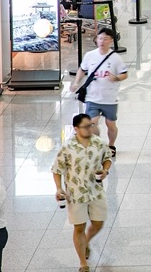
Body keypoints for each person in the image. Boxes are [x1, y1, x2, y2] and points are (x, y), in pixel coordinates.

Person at [52, 113, 113, 272]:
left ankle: (86, 241)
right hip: (75, 194)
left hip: (96, 191)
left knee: (99, 222)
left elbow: (108, 158)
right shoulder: (67, 147)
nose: (90, 129)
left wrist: (105, 170)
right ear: (76, 128)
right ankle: (83, 264)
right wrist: (59, 188)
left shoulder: (99, 143)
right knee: (79, 226)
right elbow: (57, 169)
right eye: (86, 126)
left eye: (91, 125)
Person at [70, 27, 127, 158]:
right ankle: (98, 144)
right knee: (91, 123)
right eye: (100, 38)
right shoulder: (90, 56)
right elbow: (82, 69)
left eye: (105, 39)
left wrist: (116, 78)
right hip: (92, 97)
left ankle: (111, 144)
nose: (102, 41)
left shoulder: (116, 58)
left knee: (110, 124)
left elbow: (124, 74)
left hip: (110, 98)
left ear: (111, 41)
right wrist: (76, 82)